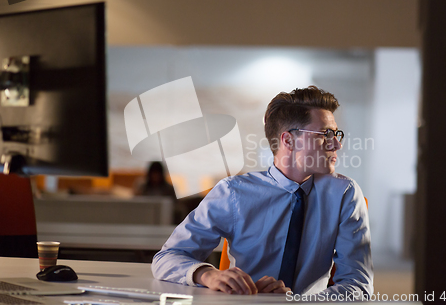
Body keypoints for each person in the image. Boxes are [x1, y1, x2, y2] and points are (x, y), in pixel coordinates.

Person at [151, 86, 373, 297]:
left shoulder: (344, 195)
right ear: (288, 140)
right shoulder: (233, 193)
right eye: (325, 133)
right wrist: (207, 275)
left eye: (336, 134)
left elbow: (358, 286)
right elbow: (167, 257)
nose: (336, 144)